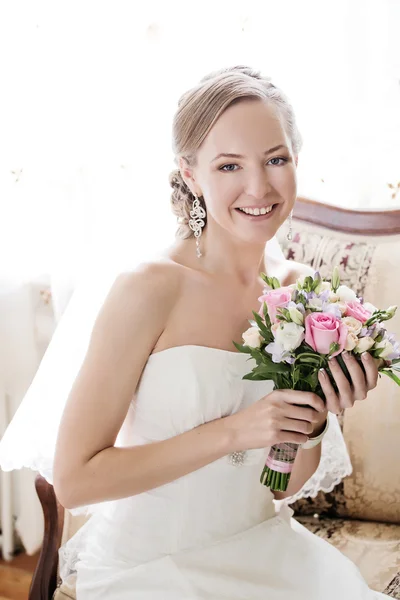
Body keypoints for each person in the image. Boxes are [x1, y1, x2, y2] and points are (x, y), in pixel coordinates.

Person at [0, 66, 388, 599]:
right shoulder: (149, 289)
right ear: (189, 174)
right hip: (154, 566)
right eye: (229, 165)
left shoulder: (304, 294)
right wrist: (237, 430)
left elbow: (286, 484)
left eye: (276, 159)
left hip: (264, 546)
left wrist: (314, 422)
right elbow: (76, 480)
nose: (259, 187)